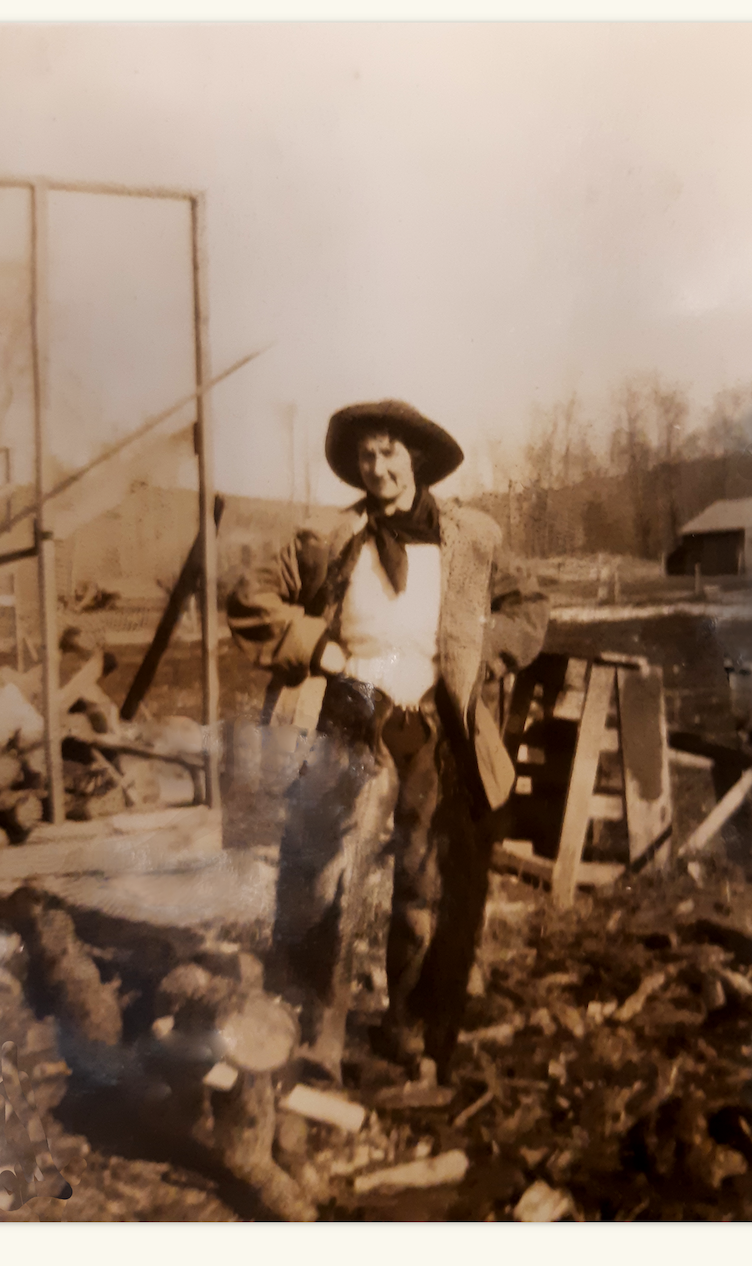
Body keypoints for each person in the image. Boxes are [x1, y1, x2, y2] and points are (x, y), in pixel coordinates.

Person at [227, 400, 549, 1083]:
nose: (377, 467)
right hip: (350, 715)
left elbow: (529, 608)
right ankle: (316, 1032)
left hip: (433, 725)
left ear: (417, 459)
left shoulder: (473, 537)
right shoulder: (327, 536)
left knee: (424, 880)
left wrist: (484, 656)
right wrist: (318, 648)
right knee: (324, 874)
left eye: (389, 452)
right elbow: (250, 597)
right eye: (366, 456)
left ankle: (408, 1026)